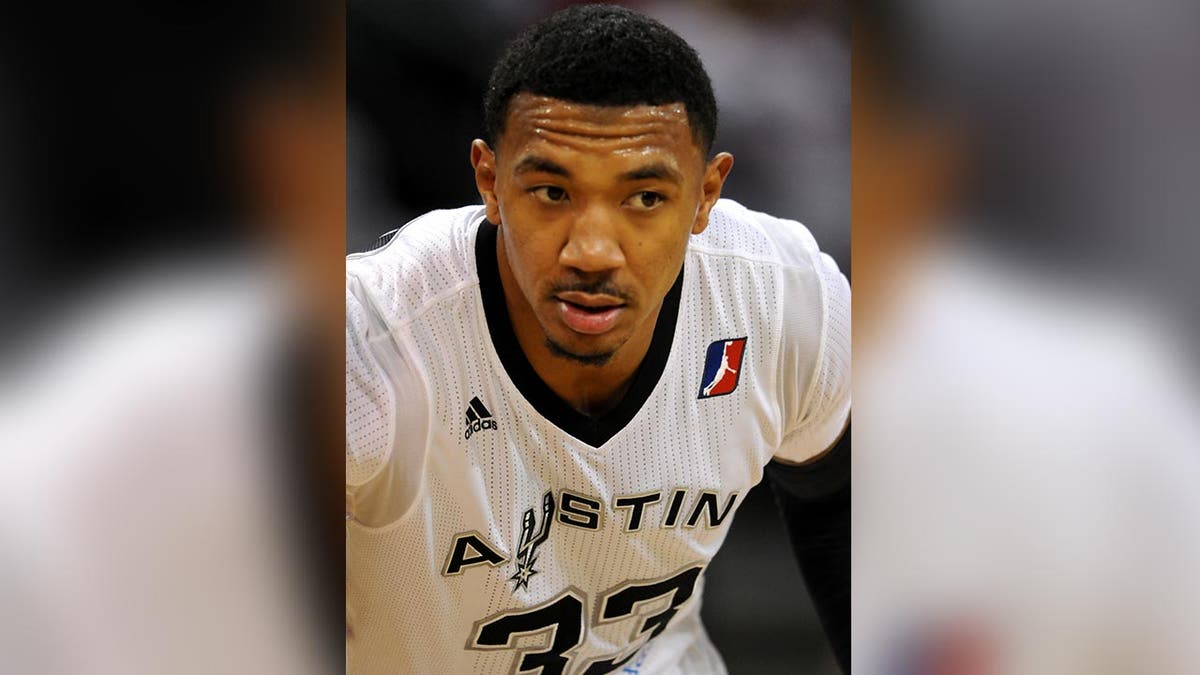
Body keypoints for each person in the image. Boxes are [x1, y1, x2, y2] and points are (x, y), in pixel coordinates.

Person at [345, 5, 850, 673]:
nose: (592, 251)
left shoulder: (782, 297)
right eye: (552, 191)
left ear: (706, 193)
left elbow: (840, 506)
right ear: (490, 183)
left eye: (644, 198)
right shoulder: (371, 345)